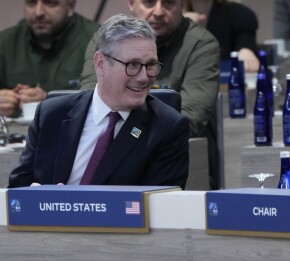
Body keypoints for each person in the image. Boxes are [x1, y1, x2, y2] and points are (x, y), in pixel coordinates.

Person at [79, 0, 220, 187]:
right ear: (131, 3)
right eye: (149, 1)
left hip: (176, 160)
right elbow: (88, 97)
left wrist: (124, 117)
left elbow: (190, 118)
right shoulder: (105, 40)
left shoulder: (202, 45)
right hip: (107, 153)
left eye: (168, 2)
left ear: (183, 3)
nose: (158, 11)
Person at [8, 14, 189, 188]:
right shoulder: (51, 114)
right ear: (101, 63)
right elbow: (17, 189)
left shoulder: (167, 128)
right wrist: (36, 196)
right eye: (132, 65)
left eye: (150, 65)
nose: (144, 77)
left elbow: (156, 207)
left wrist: (70, 204)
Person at [0, 0, 98, 118]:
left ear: (71, 6)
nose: (38, 12)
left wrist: (50, 101)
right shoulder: (5, 43)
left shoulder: (99, 40)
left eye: (50, 2)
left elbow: (109, 104)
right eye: (31, 2)